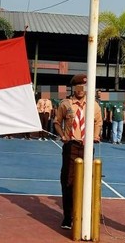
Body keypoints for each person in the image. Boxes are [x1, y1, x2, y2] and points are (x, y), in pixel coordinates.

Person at [53, 74, 102, 230]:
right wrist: (62, 135)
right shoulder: (65, 104)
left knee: (88, 180)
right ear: (73, 88)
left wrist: (95, 135)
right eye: (78, 87)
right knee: (68, 181)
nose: (81, 90)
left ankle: (84, 214)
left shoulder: (94, 105)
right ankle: (68, 217)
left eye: (84, 87)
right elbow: (56, 122)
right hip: (71, 146)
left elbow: (98, 122)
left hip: (87, 147)